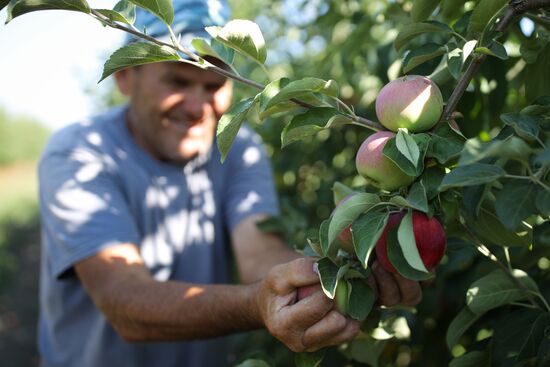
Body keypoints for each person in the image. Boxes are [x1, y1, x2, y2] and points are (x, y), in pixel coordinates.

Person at [36, 1, 423, 366]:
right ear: (125, 76)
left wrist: (341, 275)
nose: (196, 105)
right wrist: (257, 304)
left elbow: (258, 251)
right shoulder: (80, 154)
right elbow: (123, 300)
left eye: (214, 85)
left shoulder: (237, 149)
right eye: (177, 80)